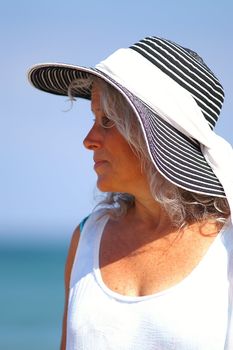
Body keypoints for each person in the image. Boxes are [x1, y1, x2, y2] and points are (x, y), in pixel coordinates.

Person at [28, 36, 233, 350]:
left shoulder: (225, 248)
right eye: (94, 119)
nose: (89, 139)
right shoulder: (86, 237)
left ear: (159, 138)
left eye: (107, 121)